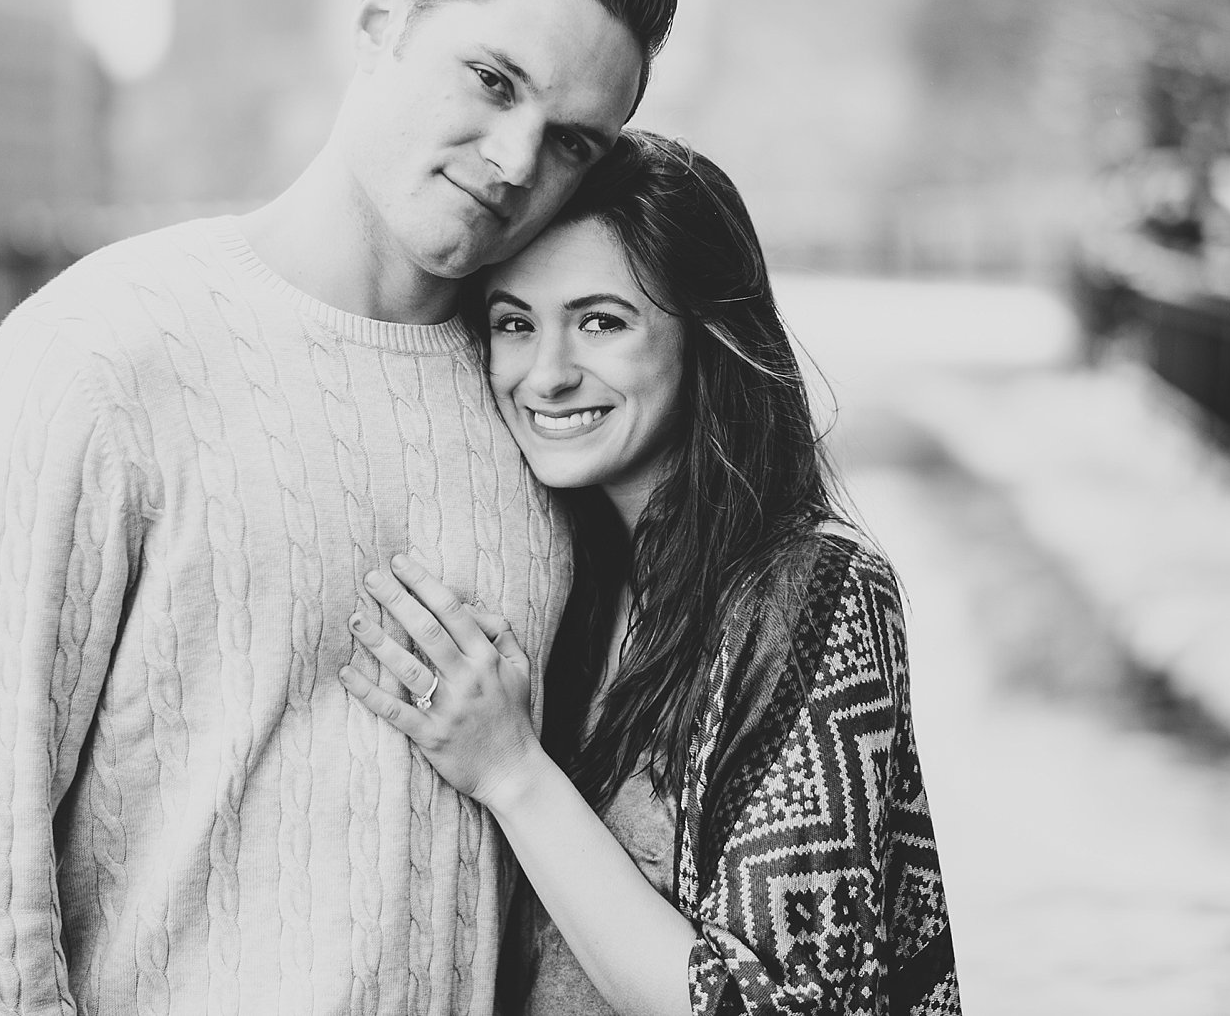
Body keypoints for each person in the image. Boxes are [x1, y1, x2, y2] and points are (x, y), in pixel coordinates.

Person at [0, 0, 677, 1016]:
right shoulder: (101, 354)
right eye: (492, 80)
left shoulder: (542, 407)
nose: (514, 159)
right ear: (381, 19)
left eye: (570, 144)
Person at [340, 131, 960, 1015]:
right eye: (515, 322)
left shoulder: (816, 591)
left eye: (602, 321)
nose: (547, 375)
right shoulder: (559, 574)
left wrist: (513, 773)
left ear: (707, 332)